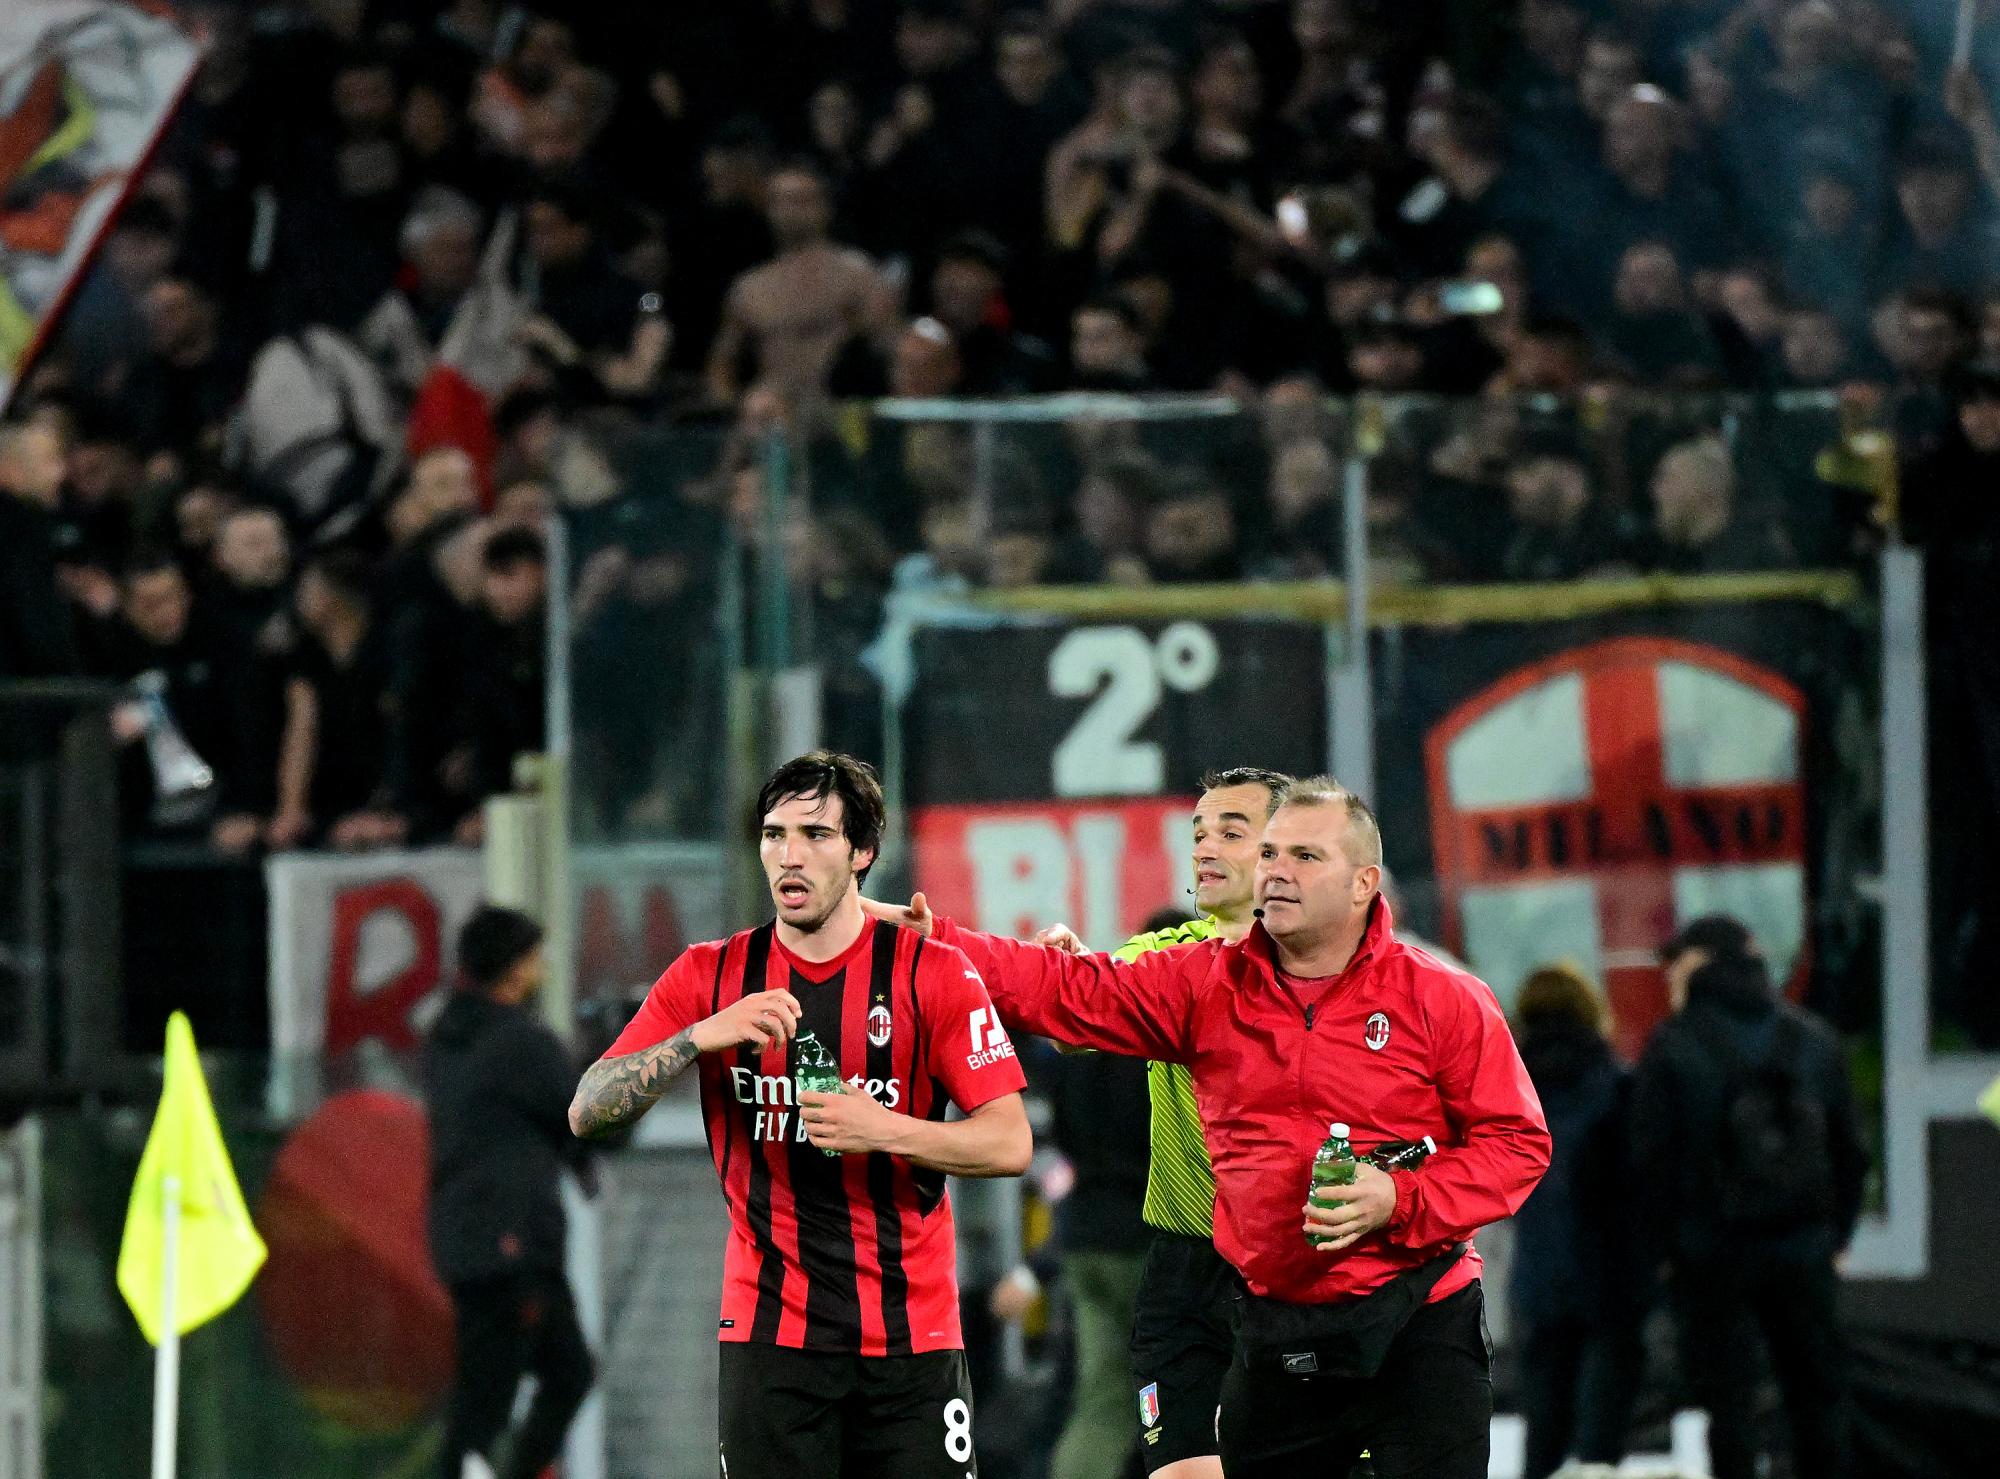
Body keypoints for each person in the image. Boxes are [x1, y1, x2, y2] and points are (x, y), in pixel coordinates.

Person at [871, 777, 1550, 1478]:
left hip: (1418, 1322)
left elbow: (1518, 1143)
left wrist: (1400, 1198)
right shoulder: (1203, 980)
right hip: (1273, 1325)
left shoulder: (1445, 997)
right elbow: (1065, 988)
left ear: (1363, 884)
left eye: (1306, 856)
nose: (1278, 869)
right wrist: (937, 946)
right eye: (1274, 852)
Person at [570, 752, 1032, 1477]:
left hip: (913, 1337)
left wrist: (882, 1129)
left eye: (816, 834)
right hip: (771, 1339)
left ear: (862, 851)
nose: (790, 855)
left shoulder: (932, 971)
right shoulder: (708, 975)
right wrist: (699, 1036)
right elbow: (587, 1110)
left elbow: (1010, 1141)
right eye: (774, 833)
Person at [1630, 916, 1865, 1479]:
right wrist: (1836, 1237)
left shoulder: (1674, 1045)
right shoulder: (1811, 1038)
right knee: (1817, 1395)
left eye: (1678, 963)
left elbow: (1650, 1163)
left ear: (1703, 963)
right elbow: (1851, 1151)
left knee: (1727, 1403)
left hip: (1711, 1255)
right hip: (1805, 1247)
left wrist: (1663, 1251)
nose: (1669, 978)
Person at [425, 905, 595, 1479]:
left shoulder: (447, 1036)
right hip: (514, 1246)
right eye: (534, 958)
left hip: (466, 1239)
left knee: (550, 1374)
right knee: (498, 1399)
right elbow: (588, 1117)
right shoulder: (519, 1042)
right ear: (516, 968)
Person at [1507, 964, 1643, 1479]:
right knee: (1599, 1438)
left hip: (1538, 1270)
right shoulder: (1616, 1082)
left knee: (1543, 1426)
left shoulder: (1508, 1086)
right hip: (1607, 1271)